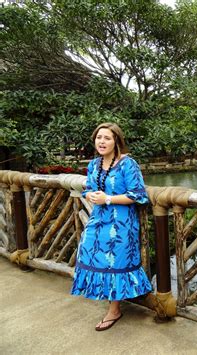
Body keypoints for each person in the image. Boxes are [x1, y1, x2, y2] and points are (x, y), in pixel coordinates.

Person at [71, 122, 152, 331]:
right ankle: (108, 299)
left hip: (121, 221)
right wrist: (89, 194)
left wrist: (108, 199)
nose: (102, 142)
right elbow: (88, 188)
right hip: (98, 220)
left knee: (114, 262)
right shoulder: (94, 164)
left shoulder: (127, 164)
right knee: (88, 252)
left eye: (107, 138)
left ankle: (114, 310)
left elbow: (138, 195)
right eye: (99, 138)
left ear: (116, 141)